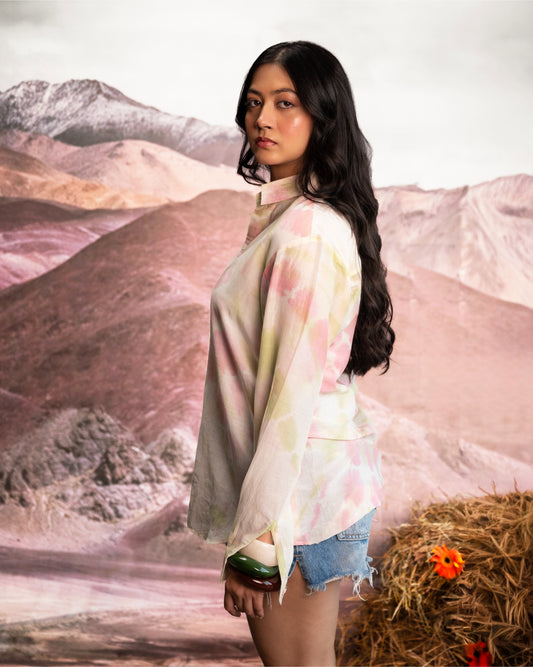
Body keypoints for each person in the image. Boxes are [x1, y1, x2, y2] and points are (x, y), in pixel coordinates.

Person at [187, 41, 394, 666]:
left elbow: (289, 401)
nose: (262, 119)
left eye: (285, 103)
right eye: (254, 103)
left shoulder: (305, 232)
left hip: (299, 504)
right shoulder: (294, 219)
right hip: (307, 492)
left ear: (324, 117)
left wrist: (257, 543)